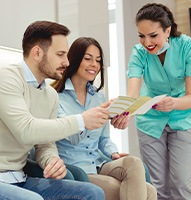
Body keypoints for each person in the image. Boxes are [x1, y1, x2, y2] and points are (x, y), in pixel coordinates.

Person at [0, 20, 109, 200]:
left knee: (92, 192)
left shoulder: (50, 94)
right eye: (60, 55)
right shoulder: (8, 79)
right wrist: (81, 120)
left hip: (19, 177)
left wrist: (50, 160)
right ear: (37, 53)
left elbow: (44, 143)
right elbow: (26, 130)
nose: (66, 62)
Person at [51, 37, 157, 200]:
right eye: (88, 59)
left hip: (99, 162)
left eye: (98, 60)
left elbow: (104, 139)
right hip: (76, 168)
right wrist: (95, 116)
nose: (94, 64)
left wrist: (113, 153)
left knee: (134, 163)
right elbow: (71, 136)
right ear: (75, 59)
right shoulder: (56, 98)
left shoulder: (98, 97)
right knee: (146, 192)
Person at [127, 3, 191, 200]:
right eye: (141, 36)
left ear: (167, 30)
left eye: (153, 35)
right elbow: (132, 93)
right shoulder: (139, 52)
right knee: (157, 186)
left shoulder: (188, 46)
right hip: (150, 119)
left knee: (181, 183)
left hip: (183, 116)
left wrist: (173, 104)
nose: (146, 42)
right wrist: (125, 112)